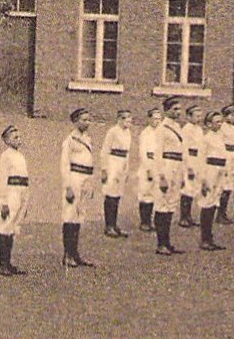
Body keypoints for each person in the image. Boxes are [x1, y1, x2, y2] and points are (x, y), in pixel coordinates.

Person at [59, 108, 95, 268]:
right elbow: (64, 164)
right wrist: (68, 187)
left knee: (80, 215)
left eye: (88, 119)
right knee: (70, 215)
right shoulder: (70, 140)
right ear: (75, 121)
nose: (87, 122)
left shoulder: (88, 139)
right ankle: (67, 254)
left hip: (86, 178)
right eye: (83, 119)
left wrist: (91, 183)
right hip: (74, 178)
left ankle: (75, 253)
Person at [0, 124, 31, 274]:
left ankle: (8, 263)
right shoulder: (6, 156)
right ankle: (2, 264)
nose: (18, 139)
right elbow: (2, 179)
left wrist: (26, 199)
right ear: (7, 141)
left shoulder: (20, 156)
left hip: (21, 191)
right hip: (11, 192)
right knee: (5, 226)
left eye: (19, 136)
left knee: (13, 227)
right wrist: (3, 201)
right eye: (15, 137)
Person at [153, 99, 187, 255]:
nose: (178, 112)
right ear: (166, 110)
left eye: (179, 109)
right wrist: (161, 177)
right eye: (175, 109)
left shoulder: (177, 127)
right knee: (162, 204)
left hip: (177, 166)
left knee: (171, 204)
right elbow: (157, 154)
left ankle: (167, 242)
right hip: (166, 167)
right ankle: (161, 244)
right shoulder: (162, 128)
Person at [99, 109, 132, 238]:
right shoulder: (113, 131)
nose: (128, 122)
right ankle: (109, 226)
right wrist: (104, 169)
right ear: (120, 119)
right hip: (113, 162)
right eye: (126, 119)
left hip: (122, 163)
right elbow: (105, 150)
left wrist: (126, 168)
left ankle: (114, 224)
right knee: (111, 194)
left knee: (118, 194)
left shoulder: (128, 133)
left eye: (130, 119)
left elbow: (127, 152)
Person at [196, 112, 226, 251]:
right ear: (208, 124)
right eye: (217, 122)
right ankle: (205, 238)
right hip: (209, 171)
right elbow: (201, 159)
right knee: (207, 203)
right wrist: (203, 180)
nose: (220, 124)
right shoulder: (205, 138)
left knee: (214, 202)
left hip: (220, 170)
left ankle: (210, 237)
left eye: (221, 121)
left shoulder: (219, 137)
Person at [135, 107, 162, 233]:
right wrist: (148, 169)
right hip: (148, 164)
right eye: (155, 118)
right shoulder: (145, 133)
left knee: (155, 193)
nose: (157, 121)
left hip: (158, 163)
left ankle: (152, 221)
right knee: (146, 192)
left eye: (159, 119)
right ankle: (144, 222)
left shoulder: (161, 133)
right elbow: (143, 153)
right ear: (149, 119)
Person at [178, 105, 203, 228]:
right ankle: (183, 217)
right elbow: (184, 148)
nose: (199, 118)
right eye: (196, 116)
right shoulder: (186, 129)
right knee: (187, 188)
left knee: (193, 188)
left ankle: (188, 216)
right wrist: (188, 166)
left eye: (200, 116)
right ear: (189, 117)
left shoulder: (199, 129)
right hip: (190, 160)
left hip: (197, 159)